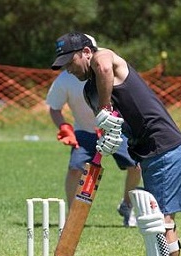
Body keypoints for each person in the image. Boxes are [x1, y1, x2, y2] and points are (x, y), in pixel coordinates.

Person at [51, 32, 181, 256]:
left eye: (71, 61)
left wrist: (102, 111)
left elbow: (103, 69)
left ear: (86, 52)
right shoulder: (90, 90)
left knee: (161, 227)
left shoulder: (105, 58)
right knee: (159, 228)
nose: (68, 69)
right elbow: (116, 127)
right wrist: (108, 141)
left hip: (167, 149)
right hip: (150, 155)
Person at [46, 35, 140, 227]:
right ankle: (73, 215)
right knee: (74, 170)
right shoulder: (65, 79)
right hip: (85, 131)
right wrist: (65, 127)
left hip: (116, 129)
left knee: (136, 167)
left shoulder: (108, 69)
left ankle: (127, 206)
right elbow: (54, 107)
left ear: (89, 52)